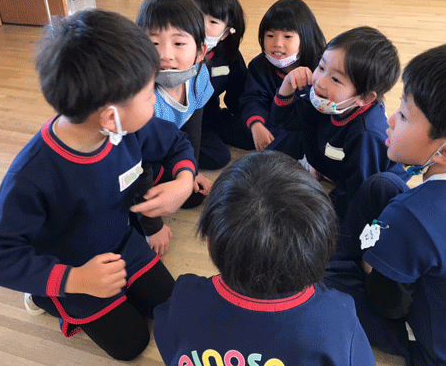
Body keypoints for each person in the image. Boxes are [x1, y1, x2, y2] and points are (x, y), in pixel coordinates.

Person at [0, 10, 197, 361]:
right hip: (73, 267)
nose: (155, 100)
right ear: (111, 116)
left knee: (173, 308)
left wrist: (184, 182)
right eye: (149, 94)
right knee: (132, 344)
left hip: (122, 243)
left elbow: (176, 144)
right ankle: (42, 295)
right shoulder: (32, 175)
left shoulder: (128, 127)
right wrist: (74, 280)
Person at [324, 36, 446, 365]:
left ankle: (338, 263)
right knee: (384, 185)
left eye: (403, 115)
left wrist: (373, 263)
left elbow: (389, 305)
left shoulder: (410, 217)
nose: (389, 121)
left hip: (435, 354)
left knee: (327, 284)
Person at [153, 150, 376, 366]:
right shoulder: (337, 319)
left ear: (210, 243)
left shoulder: (186, 297)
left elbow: (169, 345)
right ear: (323, 246)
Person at [271, 26, 410, 223]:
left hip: (364, 178)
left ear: (364, 98)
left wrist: (323, 206)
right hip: (334, 162)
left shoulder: (366, 134)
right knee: (290, 134)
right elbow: (283, 121)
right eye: (321, 67)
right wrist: (286, 86)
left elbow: (358, 192)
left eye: (335, 79)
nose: (320, 82)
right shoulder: (326, 99)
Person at [135, 0, 214, 255]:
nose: (165, 55)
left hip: (167, 147)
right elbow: (138, 167)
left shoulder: (199, 74)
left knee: (192, 196)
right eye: (153, 43)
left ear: (201, 51)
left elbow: (193, 125)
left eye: (179, 43)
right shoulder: (141, 98)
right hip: (132, 165)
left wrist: (190, 170)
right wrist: (153, 226)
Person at [239, 0, 325, 160]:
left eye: (287, 36)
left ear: (306, 38)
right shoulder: (258, 66)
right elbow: (253, 98)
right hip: (273, 125)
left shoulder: (319, 66)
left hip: (307, 128)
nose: (277, 43)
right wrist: (256, 125)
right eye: (270, 35)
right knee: (243, 130)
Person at [188, 0, 253, 169]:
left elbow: (238, 90)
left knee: (251, 137)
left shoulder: (228, 56)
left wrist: (244, 118)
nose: (202, 26)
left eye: (213, 22)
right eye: (197, 16)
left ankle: (211, 135)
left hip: (211, 115)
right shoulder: (179, 54)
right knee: (219, 157)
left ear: (225, 33)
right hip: (185, 122)